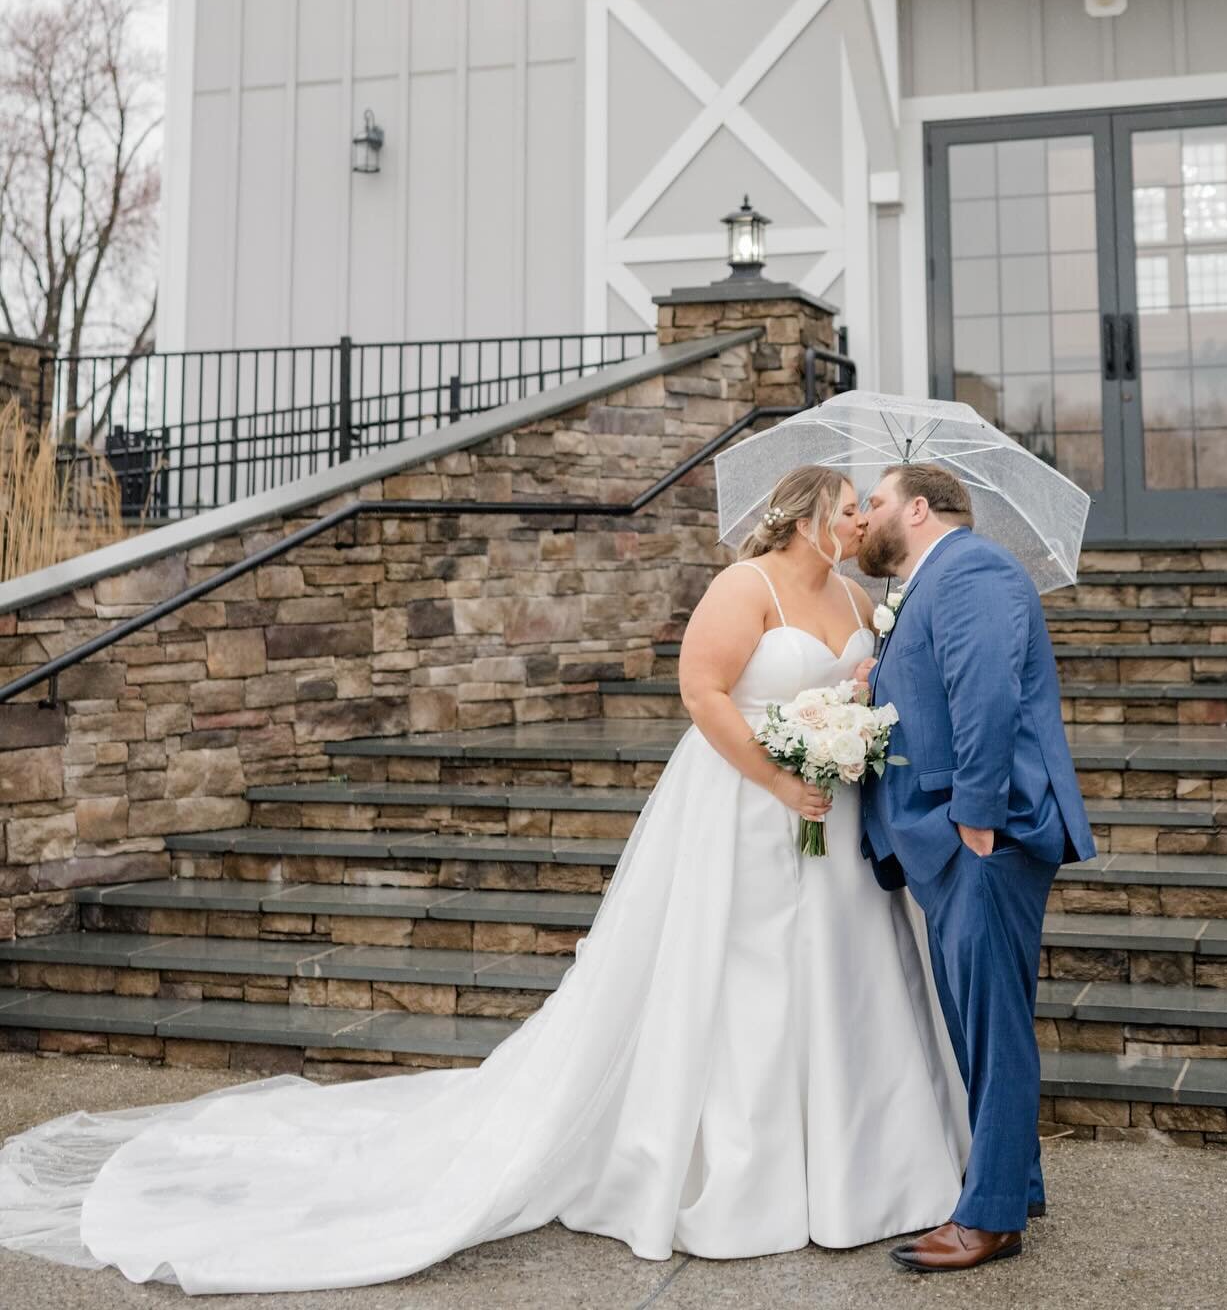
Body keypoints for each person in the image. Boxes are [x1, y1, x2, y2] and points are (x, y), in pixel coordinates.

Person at [0, 465, 966, 1294]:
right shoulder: (745, 584)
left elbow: (855, 692)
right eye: (848, 506)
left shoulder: (852, 601)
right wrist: (774, 774)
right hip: (741, 815)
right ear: (805, 514)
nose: (859, 522)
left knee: (834, 990)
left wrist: (845, 738)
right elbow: (701, 691)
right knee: (740, 989)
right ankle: (737, 1177)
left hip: (828, 828)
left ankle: (853, 1173)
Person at [856, 461, 1095, 1274]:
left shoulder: (974, 568)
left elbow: (985, 694)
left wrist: (977, 819)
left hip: (983, 836)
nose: (863, 516)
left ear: (921, 508)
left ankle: (987, 1218)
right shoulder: (929, 583)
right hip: (948, 837)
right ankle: (1009, 1188)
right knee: (979, 1022)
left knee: (993, 1027)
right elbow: (929, 690)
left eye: (877, 501)